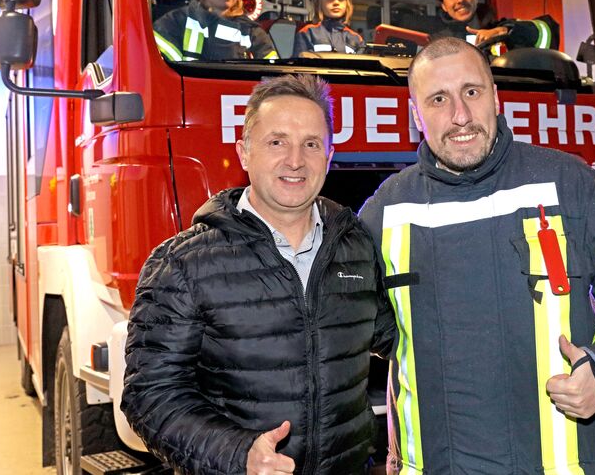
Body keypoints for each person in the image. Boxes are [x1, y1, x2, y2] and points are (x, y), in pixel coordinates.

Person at [358, 37, 595, 474]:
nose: (460, 116)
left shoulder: (568, 184)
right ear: (416, 114)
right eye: (438, 99)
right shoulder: (386, 211)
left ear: (496, 97)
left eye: (472, 92)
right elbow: (353, 325)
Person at [122, 74, 395, 475]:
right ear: (244, 153)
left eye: (311, 144)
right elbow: (150, 395)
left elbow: (400, 334)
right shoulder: (182, 263)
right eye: (277, 142)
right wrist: (238, 455)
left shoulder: (356, 246)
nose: (295, 160)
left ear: (330, 155)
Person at [430, 0, 558, 50]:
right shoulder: (435, 43)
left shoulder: (500, 28)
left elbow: (547, 32)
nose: (460, 0)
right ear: (444, 6)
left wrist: (506, 31)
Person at [293, 0, 365, 56]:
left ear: (348, 2)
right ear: (318, 2)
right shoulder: (307, 34)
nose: (336, 2)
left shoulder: (356, 39)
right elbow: (299, 68)